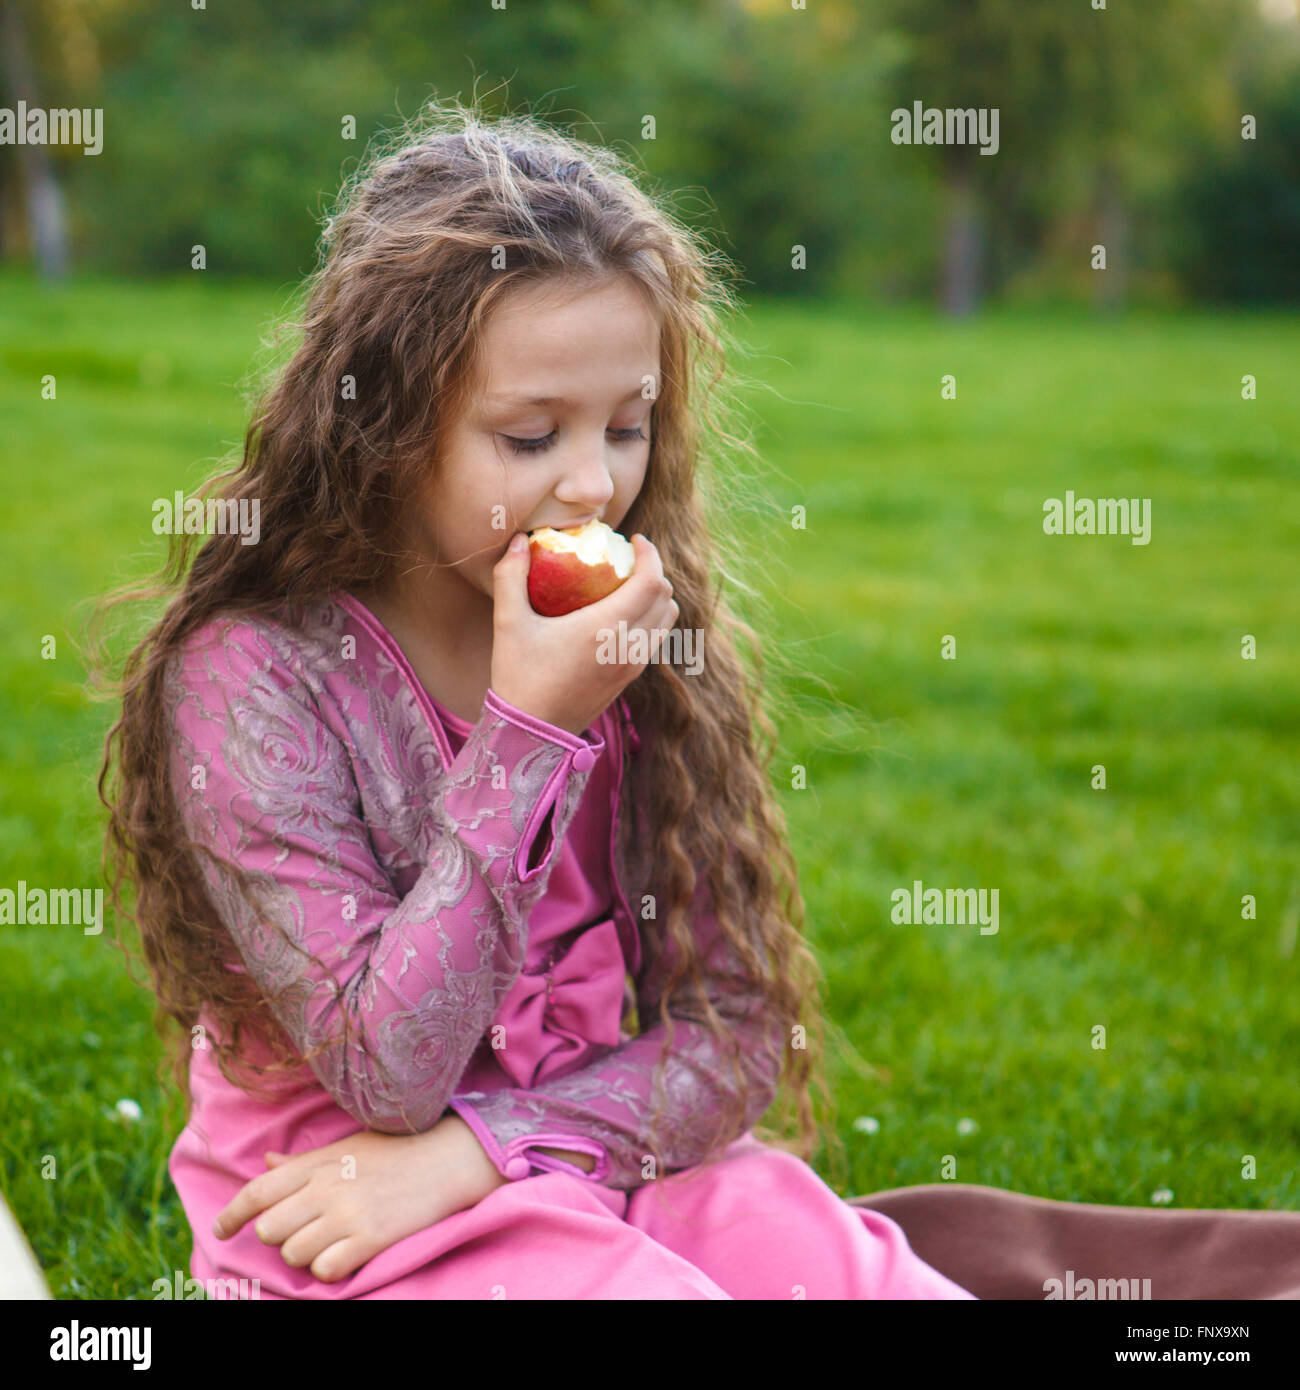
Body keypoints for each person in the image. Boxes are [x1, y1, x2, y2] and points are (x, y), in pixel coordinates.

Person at [99, 100, 1300, 1302]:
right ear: (387, 427)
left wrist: (496, 1146)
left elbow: (730, 1029)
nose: (591, 484)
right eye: (527, 437)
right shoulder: (253, 678)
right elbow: (391, 1073)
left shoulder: (637, 640)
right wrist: (530, 730)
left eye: (627, 427)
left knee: (856, 1269)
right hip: (349, 1208)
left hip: (578, 1151)